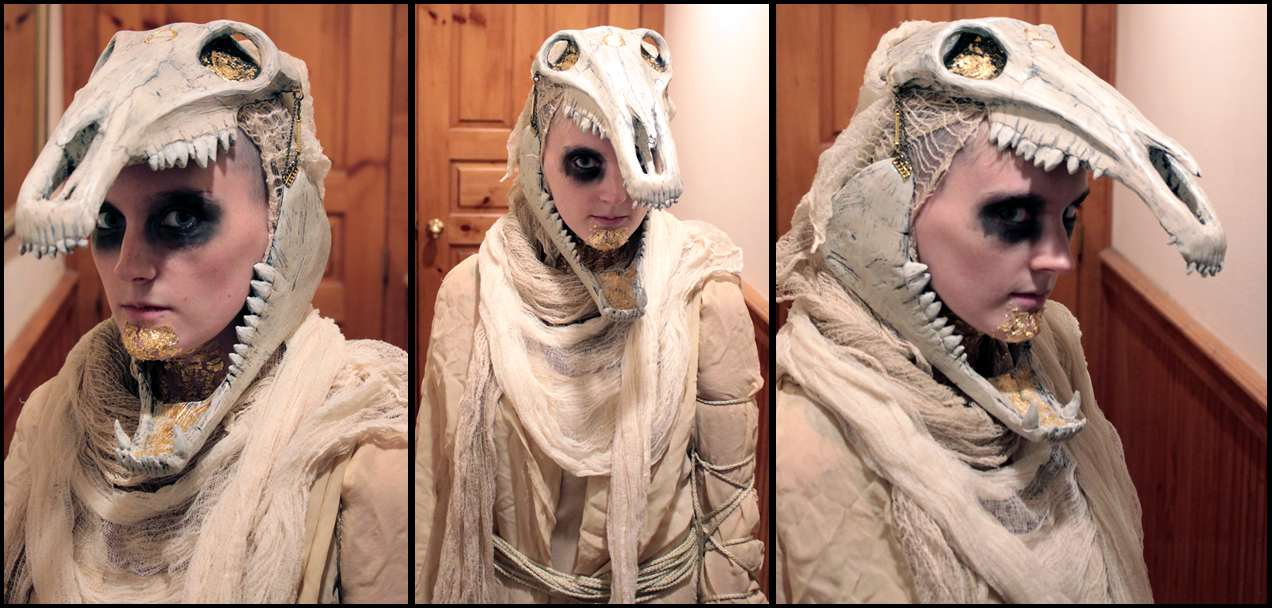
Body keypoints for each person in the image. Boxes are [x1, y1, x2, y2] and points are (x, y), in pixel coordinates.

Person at [775, 18, 1225, 602]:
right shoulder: (811, 436)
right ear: (894, 207)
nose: (1060, 258)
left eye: (1069, 216)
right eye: (1013, 216)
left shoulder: (1051, 348)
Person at [4, 21, 407, 603]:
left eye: (181, 219)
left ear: (278, 220)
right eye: (108, 222)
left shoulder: (361, 454)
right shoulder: (51, 420)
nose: (128, 266)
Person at [417, 26, 765, 603]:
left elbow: (729, 507)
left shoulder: (705, 294)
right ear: (538, 155)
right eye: (585, 164)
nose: (617, 197)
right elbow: (438, 483)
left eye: (638, 159)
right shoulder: (470, 293)